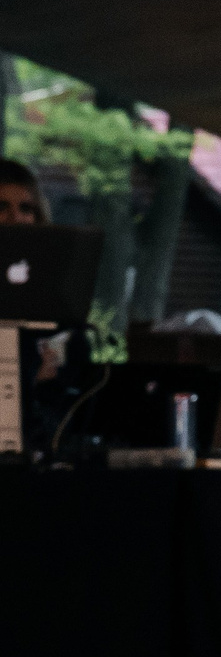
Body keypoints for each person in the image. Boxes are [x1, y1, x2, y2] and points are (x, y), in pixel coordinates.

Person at [0, 158, 98, 447]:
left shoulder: (55, 303)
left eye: (26, 209)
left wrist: (44, 385)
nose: (15, 219)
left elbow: (79, 391)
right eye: (1, 207)